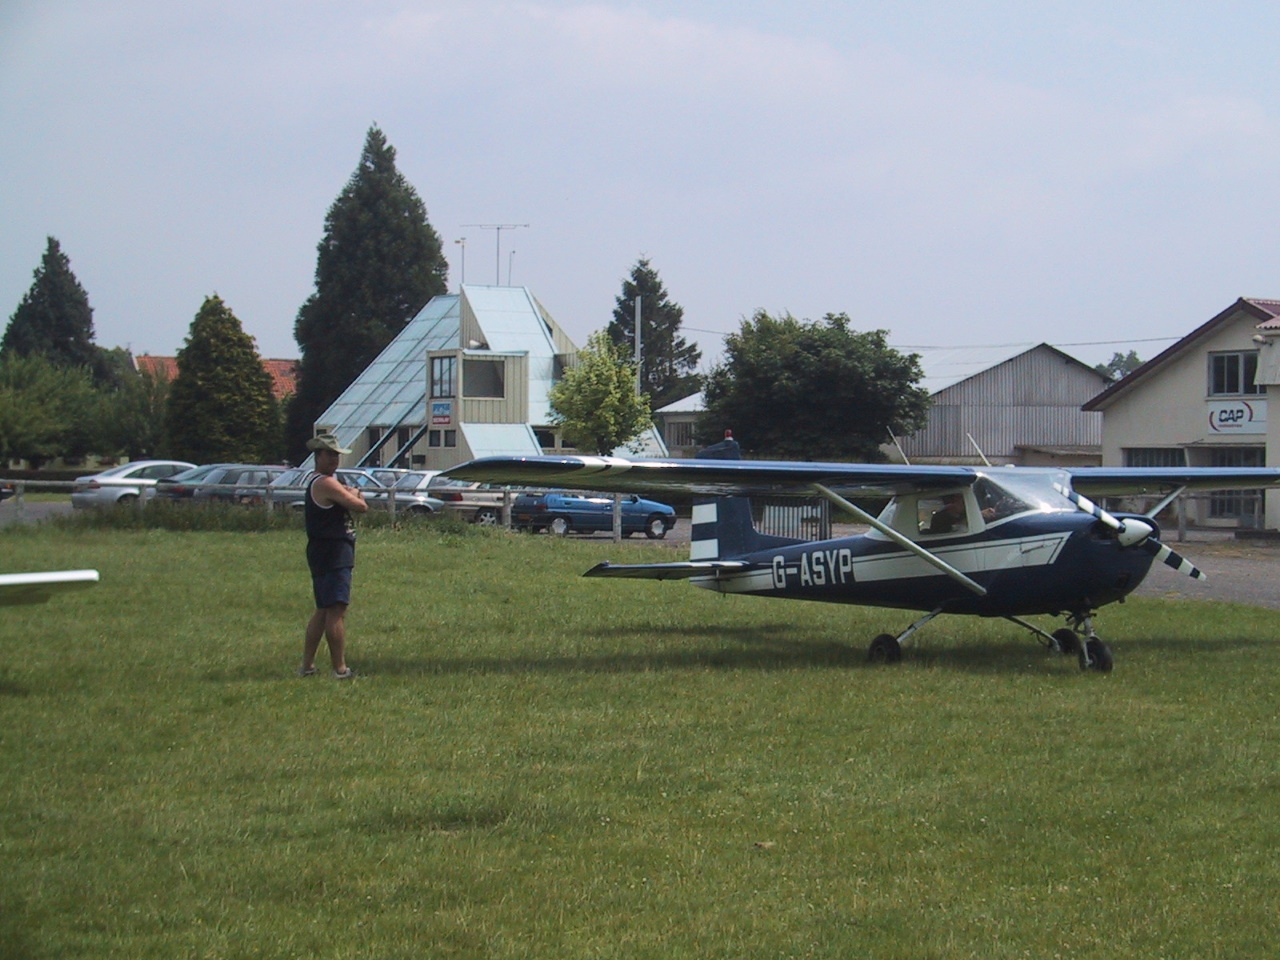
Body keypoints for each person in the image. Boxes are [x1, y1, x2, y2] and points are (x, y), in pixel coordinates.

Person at [298, 433, 368, 679]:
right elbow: (360, 506)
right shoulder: (326, 483)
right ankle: (340, 669)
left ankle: (307, 666)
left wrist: (350, 493)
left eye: (336, 455)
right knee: (336, 609)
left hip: (322, 552)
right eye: (329, 454)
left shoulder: (321, 481)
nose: (334, 459)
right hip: (333, 552)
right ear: (317, 456)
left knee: (323, 610)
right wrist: (355, 493)